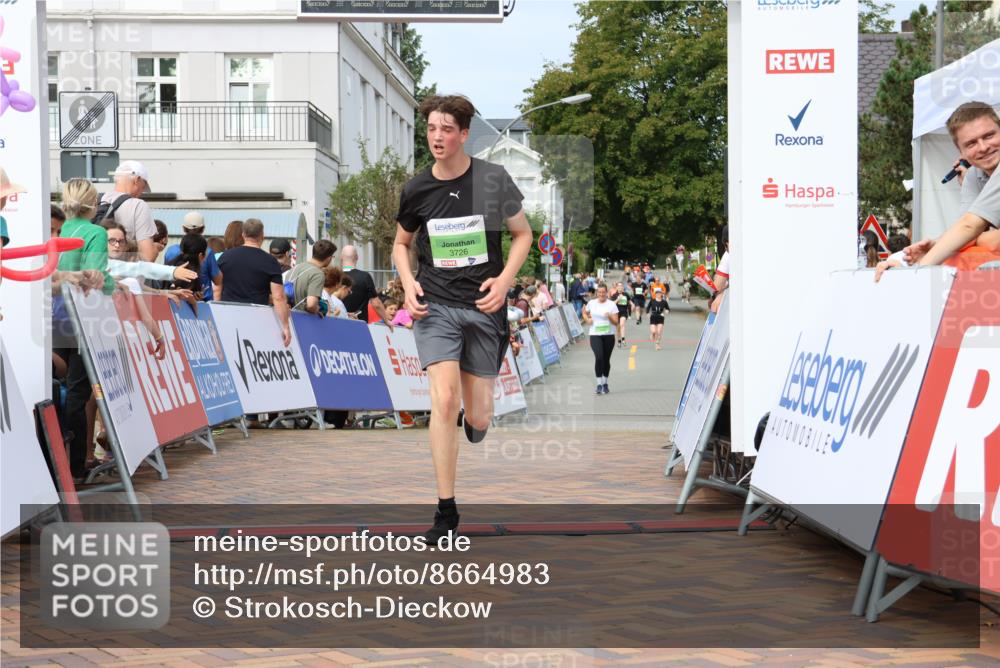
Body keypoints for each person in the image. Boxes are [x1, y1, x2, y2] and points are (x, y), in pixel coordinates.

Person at [392, 94, 532, 545]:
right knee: (444, 401)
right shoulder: (416, 189)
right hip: (435, 306)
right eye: (432, 128)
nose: (437, 137)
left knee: (479, 414)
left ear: (464, 134)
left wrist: (505, 281)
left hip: (484, 307)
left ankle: (477, 425)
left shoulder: (493, 179)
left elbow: (522, 235)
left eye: (447, 129)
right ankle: (445, 510)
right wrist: (409, 281)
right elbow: (400, 244)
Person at [877, 101, 1000, 279]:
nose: (983, 147)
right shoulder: (973, 175)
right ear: (961, 152)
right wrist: (928, 250)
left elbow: (970, 228)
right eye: (971, 143)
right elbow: (964, 231)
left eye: (988, 136)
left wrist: (917, 271)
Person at [53, 179, 117, 481]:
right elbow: (97, 279)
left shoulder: (56, 229)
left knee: (52, 388)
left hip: (49, 315)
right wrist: (117, 286)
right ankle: (75, 466)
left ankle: (53, 460)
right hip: (82, 319)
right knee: (78, 393)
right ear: (94, 204)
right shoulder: (95, 233)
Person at [216, 218, 291, 346]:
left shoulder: (225, 257)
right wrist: (285, 326)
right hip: (257, 319)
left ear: (243, 235)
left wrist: (216, 312)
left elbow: (217, 288)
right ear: (262, 236)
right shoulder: (270, 262)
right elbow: (278, 297)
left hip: (228, 316)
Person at [97, 160, 158, 261]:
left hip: (97, 271)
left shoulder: (98, 201)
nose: (142, 192)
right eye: (143, 187)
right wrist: (154, 249)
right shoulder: (138, 206)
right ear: (136, 180)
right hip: (123, 274)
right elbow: (148, 257)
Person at [340, 244, 392, 325]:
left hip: (337, 321)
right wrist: (386, 320)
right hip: (359, 324)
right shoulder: (365, 276)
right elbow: (376, 303)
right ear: (357, 257)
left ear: (341, 258)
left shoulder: (334, 277)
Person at [581, 283, 619, 394]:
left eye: (603, 292)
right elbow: (584, 313)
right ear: (597, 293)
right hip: (595, 335)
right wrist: (587, 320)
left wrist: (610, 316)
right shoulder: (591, 303)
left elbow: (616, 322)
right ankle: (598, 384)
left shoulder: (611, 305)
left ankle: (605, 383)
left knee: (606, 360)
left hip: (608, 335)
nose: (601, 294)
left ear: (606, 293)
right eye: (600, 292)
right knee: (599, 357)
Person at [288, 239, 337, 314]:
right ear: (329, 258)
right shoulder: (317, 274)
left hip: (288, 317)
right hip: (302, 320)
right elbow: (311, 305)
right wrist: (319, 309)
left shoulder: (295, 268)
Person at [611, 281, 630, 348]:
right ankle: (619, 341)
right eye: (619, 286)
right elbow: (612, 304)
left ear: (622, 287)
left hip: (624, 312)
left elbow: (629, 302)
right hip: (616, 313)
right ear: (617, 287)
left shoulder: (626, 294)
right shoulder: (614, 295)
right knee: (618, 329)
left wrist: (632, 305)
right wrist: (618, 298)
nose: (620, 287)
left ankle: (623, 339)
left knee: (622, 324)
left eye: (621, 286)